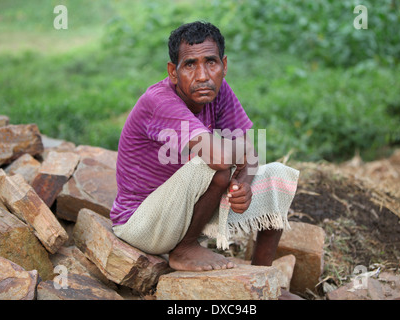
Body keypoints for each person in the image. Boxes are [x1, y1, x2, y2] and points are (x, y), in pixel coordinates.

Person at [110, 21, 301, 298]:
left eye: (210, 62)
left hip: (186, 212)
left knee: (277, 176)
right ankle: (184, 250)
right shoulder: (159, 100)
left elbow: (252, 149)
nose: (202, 75)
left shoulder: (218, 91)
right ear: (173, 72)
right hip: (141, 223)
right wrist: (240, 156)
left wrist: (244, 185)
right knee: (212, 165)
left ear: (224, 65)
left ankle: (261, 282)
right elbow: (222, 157)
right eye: (190, 65)